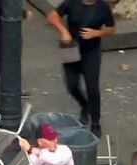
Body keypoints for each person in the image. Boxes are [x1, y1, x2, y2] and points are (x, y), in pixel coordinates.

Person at [47, 0, 115, 137]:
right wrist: (64, 31)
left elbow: (111, 28)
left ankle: (96, 122)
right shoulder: (72, 3)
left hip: (91, 53)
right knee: (71, 86)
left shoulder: (102, 7)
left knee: (92, 88)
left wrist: (97, 33)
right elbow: (52, 15)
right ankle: (84, 105)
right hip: (71, 49)